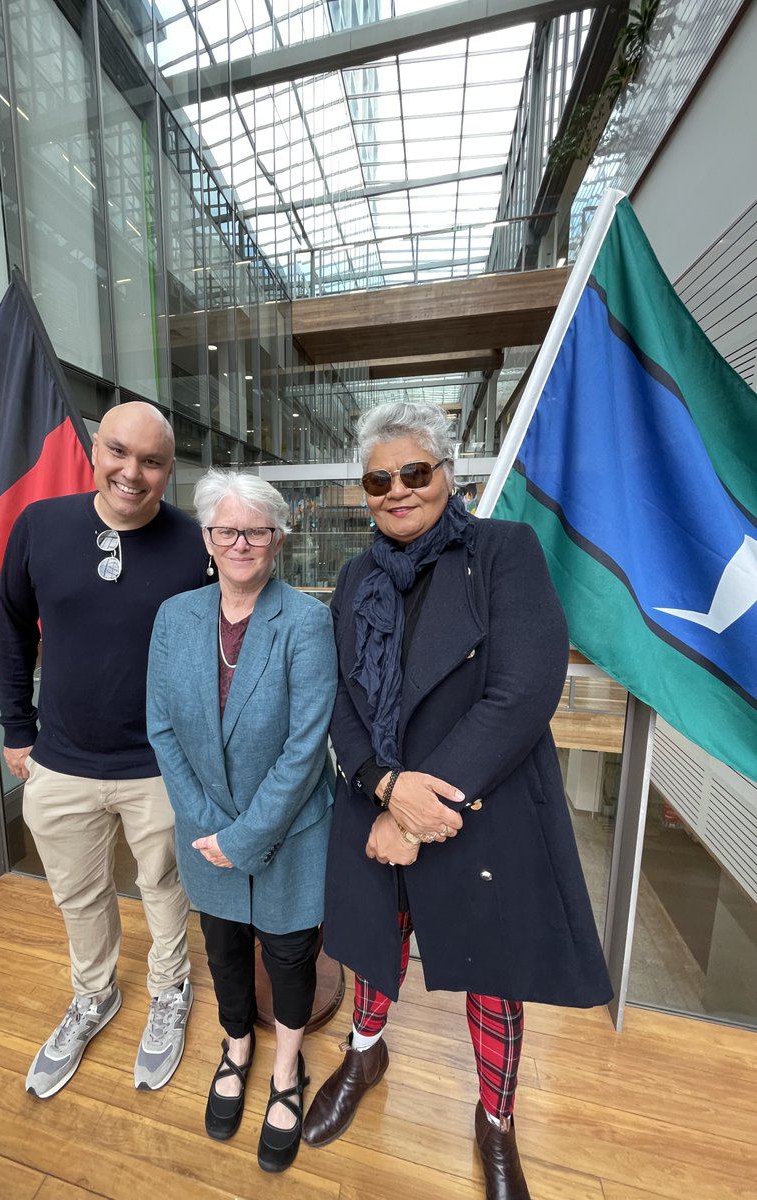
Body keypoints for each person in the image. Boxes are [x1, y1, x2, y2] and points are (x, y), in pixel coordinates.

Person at [301, 401, 612, 1200]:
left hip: (478, 808)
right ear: (364, 492)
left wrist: (415, 806)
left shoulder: (504, 551)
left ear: (449, 473)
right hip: (377, 800)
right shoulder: (355, 576)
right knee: (373, 951)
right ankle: (364, 1052)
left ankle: (497, 1121)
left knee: (492, 977)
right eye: (380, 478)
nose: (398, 489)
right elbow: (339, 696)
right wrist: (382, 788)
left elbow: (521, 692)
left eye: (415, 471)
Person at [0, 401, 208, 1100]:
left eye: (151, 461)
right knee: (79, 895)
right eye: (120, 452)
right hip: (61, 761)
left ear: (168, 470)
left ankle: (170, 990)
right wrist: (16, 728)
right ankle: (94, 996)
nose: (132, 472)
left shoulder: (194, 542)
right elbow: (12, 626)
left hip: (161, 765)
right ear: (96, 448)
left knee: (166, 889)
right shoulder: (41, 526)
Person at [147, 469, 337, 1173]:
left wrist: (245, 836)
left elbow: (307, 743)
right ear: (207, 538)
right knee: (224, 948)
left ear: (278, 540)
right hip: (203, 829)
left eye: (256, 531)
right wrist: (207, 825)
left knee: (289, 957)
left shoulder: (309, 622)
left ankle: (287, 1069)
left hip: (289, 833)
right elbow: (160, 727)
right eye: (227, 530)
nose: (241, 543)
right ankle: (237, 1047)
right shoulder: (175, 618)